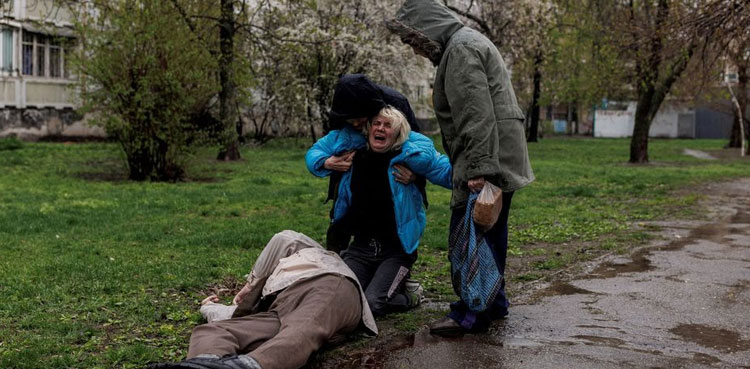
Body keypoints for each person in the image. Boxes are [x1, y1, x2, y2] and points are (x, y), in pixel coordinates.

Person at [386, 0, 535, 335]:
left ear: (425, 30)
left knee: (473, 237)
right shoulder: (466, 42)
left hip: (487, 160)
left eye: (412, 42)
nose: (414, 51)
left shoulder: (462, 50)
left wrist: (480, 171)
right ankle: (494, 303)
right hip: (499, 156)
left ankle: (471, 313)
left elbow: (475, 115)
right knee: (490, 231)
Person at [146, 230, 377, 369]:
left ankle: (248, 366)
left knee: (303, 328)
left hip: (326, 284)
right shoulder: (271, 288)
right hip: (281, 307)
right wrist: (208, 308)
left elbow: (285, 238)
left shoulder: (318, 255)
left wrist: (250, 283)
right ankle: (203, 364)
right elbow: (228, 316)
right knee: (209, 332)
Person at [306, 106, 452, 316]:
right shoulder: (355, 155)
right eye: (377, 123)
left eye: (388, 125)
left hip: (396, 252)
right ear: (369, 127)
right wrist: (326, 161)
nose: (381, 128)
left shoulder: (408, 159)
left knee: (373, 304)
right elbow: (314, 154)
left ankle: (410, 296)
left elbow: (445, 171)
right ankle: (383, 282)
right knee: (342, 299)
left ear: (398, 133)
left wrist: (477, 175)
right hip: (360, 250)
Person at [324, 74, 425, 253]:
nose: (355, 123)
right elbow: (331, 144)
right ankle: (335, 258)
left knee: (394, 213)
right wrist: (327, 162)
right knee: (342, 212)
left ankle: (400, 262)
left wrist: (416, 176)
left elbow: (418, 149)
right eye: (350, 119)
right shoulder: (342, 108)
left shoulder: (396, 103)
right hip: (354, 165)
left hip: (391, 169)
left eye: (359, 117)